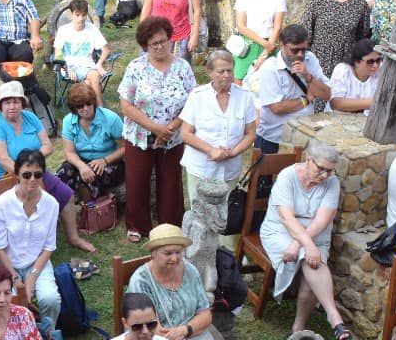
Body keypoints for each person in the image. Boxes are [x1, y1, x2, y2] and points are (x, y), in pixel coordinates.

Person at [0, 82, 88, 250]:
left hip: (33, 171)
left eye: (16, 101)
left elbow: (48, 146)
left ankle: (74, 238)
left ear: (23, 103)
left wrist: (32, 161)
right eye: (7, 102)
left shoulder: (30, 118)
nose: (12, 106)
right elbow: (4, 161)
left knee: (66, 195)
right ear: (0, 104)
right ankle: (31, 246)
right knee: (26, 205)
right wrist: (29, 173)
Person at [118, 16, 197, 239]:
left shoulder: (183, 67)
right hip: (140, 135)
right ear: (145, 46)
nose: (161, 46)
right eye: (154, 43)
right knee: (137, 180)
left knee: (171, 182)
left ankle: (170, 226)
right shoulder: (136, 68)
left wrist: (170, 127)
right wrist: (155, 128)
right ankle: (137, 226)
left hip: (173, 136)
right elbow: (126, 105)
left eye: (164, 41)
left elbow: (193, 101)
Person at [261, 144, 350, 340]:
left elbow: (322, 221)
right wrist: (307, 246)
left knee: (311, 272)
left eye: (330, 171)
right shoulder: (287, 176)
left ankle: (298, 328)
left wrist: (303, 244)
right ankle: (333, 315)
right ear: (308, 159)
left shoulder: (332, 183)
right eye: (321, 169)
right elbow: (287, 218)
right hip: (280, 230)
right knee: (308, 257)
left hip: (316, 233)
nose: (325, 175)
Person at [0, 148, 64, 331]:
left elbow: (48, 246)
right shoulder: (3, 203)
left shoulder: (51, 204)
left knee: (50, 299)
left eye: (37, 174)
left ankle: (48, 339)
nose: (32, 179)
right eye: (26, 174)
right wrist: (15, 278)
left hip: (36, 261)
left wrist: (32, 278)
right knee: (10, 303)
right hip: (6, 262)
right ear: (16, 175)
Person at [177, 47, 256, 204]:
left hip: (230, 169)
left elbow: (251, 133)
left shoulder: (245, 97)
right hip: (202, 168)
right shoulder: (198, 96)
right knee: (200, 214)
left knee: (225, 214)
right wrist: (211, 150)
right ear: (210, 72)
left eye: (230, 71)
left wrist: (232, 153)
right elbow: (185, 133)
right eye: (221, 71)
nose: (227, 75)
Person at [251, 25, 331, 155]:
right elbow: (277, 108)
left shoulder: (310, 59)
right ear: (282, 45)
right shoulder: (270, 68)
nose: (300, 55)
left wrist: (308, 77)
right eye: (295, 50)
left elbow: (327, 94)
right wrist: (306, 99)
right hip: (275, 138)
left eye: (304, 50)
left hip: (303, 137)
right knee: (267, 175)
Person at [301, 0, 371, 78]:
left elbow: (362, 35)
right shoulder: (318, 0)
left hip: (346, 63)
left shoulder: (360, 4)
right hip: (318, 60)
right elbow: (305, 31)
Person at [60, 81, 126, 197]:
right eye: (80, 106)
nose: (85, 108)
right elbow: (69, 152)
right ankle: (59, 209)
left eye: (88, 104)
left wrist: (104, 161)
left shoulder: (110, 118)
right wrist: (81, 165)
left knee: (92, 177)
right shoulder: (68, 121)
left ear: (93, 102)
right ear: (74, 107)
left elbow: (125, 147)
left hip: (109, 162)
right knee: (63, 173)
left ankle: (94, 212)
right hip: (81, 161)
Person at [232, 0, 287, 81]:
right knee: (239, 79)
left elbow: (277, 26)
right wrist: (264, 44)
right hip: (247, 44)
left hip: (269, 43)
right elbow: (241, 25)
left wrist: (266, 51)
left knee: (266, 82)